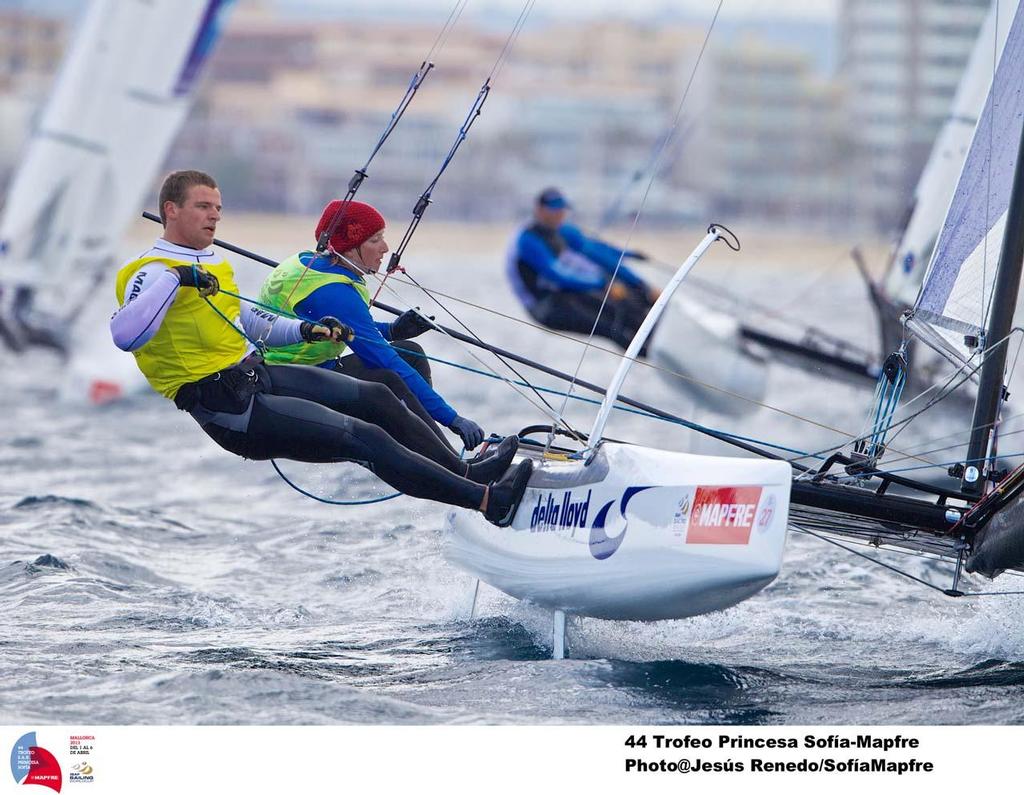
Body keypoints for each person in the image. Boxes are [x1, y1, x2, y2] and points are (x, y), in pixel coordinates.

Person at [109, 170, 532, 526]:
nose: (214, 216)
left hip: (256, 375)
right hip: (228, 406)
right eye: (204, 207)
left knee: (379, 396)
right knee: (364, 436)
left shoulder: (212, 260)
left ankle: (465, 474)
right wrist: (175, 279)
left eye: (218, 208)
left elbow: (250, 322)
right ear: (171, 210)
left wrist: (307, 331)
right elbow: (126, 335)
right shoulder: (150, 272)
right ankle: (486, 502)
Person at [258, 199, 483, 453]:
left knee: (411, 352)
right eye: (375, 240)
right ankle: (449, 462)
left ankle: (426, 447)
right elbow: (385, 360)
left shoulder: (308, 262)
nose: (385, 248)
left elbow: (344, 325)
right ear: (350, 248)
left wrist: (393, 331)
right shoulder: (333, 291)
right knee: (391, 377)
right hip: (292, 382)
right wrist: (453, 419)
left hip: (308, 369)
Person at [507, 187, 659, 354]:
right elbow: (557, 274)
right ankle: (655, 358)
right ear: (539, 210)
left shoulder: (562, 230)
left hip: (565, 295)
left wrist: (638, 276)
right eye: (553, 210)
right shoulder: (527, 239)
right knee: (611, 326)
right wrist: (602, 283)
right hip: (544, 307)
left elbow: (596, 250)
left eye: (561, 210)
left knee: (626, 306)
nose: (559, 214)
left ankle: (663, 344)